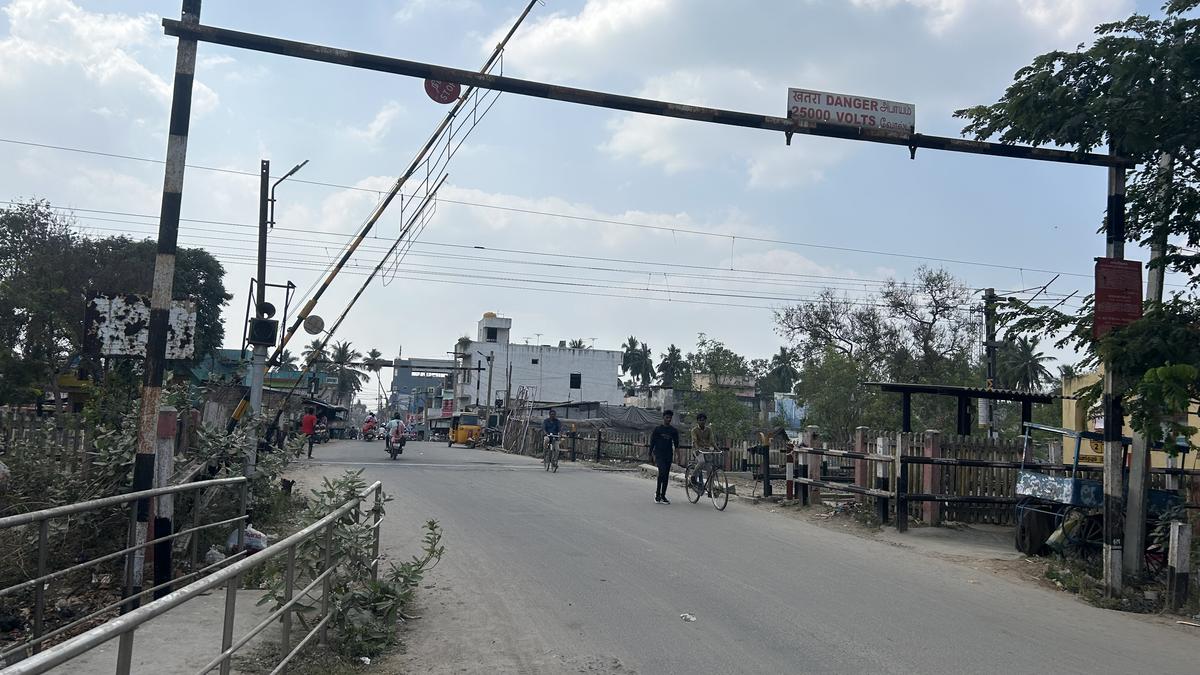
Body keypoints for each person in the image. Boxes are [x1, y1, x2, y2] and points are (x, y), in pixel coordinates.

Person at [648, 410, 680, 504]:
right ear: (663, 417)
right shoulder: (658, 429)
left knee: (666, 475)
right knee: (661, 472)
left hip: (668, 455)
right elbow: (652, 442)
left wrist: (678, 456)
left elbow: (677, 445)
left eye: (670, 418)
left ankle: (663, 495)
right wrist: (650, 455)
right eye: (667, 417)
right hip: (659, 454)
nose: (668, 419)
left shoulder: (673, 431)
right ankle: (657, 494)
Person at [691, 413, 717, 491]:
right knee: (701, 462)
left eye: (703, 420)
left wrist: (718, 450)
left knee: (709, 468)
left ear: (705, 421)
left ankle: (710, 489)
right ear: (697, 421)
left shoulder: (709, 430)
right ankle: (693, 476)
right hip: (697, 450)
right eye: (700, 420)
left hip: (706, 450)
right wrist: (698, 449)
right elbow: (694, 441)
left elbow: (712, 441)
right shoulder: (694, 430)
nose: (702, 422)